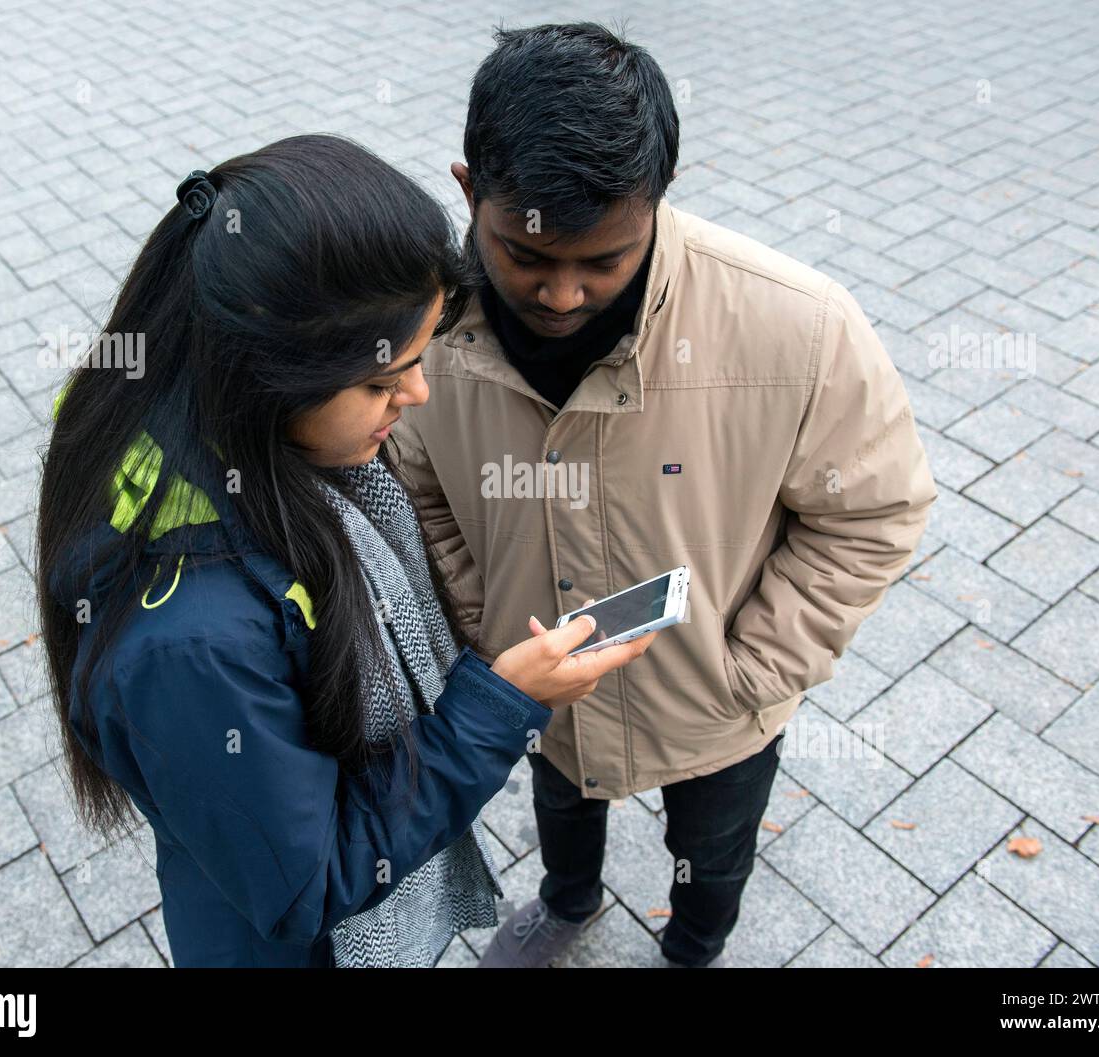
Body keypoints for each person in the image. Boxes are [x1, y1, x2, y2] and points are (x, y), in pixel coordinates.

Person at [35, 133, 657, 968]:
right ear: (267, 371)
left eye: (420, 356)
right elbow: (312, 880)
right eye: (381, 380)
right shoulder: (193, 644)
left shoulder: (225, 435)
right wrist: (498, 704)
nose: (418, 392)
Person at [391, 23, 938, 968]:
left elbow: (874, 511)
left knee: (712, 849)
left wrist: (753, 670)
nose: (562, 296)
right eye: (528, 258)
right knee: (562, 802)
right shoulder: (422, 329)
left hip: (716, 707)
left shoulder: (799, 328)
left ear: (657, 202)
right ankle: (568, 902)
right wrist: (488, 632)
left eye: (603, 261)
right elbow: (420, 485)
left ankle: (693, 946)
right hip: (540, 687)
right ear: (469, 189)